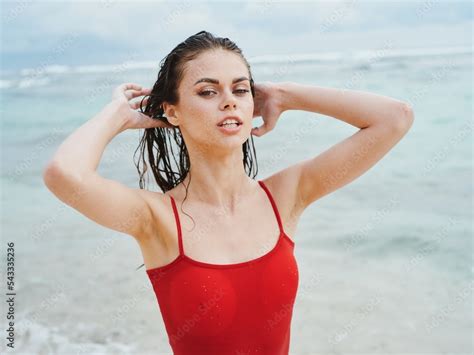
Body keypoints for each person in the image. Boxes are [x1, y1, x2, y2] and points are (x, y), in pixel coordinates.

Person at [42, 30, 414, 354]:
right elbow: (64, 174)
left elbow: (394, 118)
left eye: (240, 89)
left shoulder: (285, 196)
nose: (229, 100)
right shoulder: (155, 217)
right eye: (207, 91)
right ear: (173, 112)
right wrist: (118, 116)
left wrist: (284, 94)